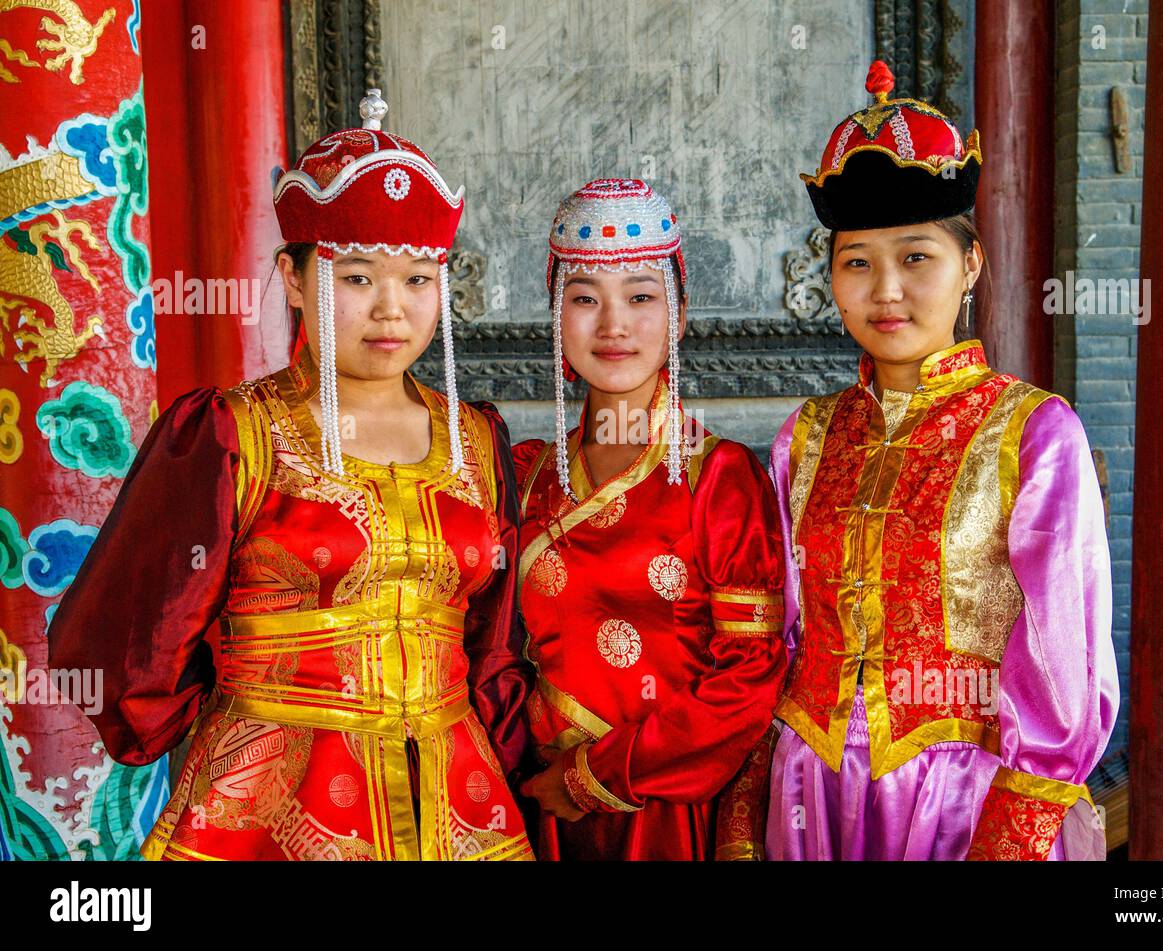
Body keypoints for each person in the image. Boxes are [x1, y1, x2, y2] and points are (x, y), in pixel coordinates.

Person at [46, 90, 534, 861]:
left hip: (457, 798)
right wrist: (219, 712)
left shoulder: (478, 437)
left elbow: (495, 642)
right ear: (295, 277)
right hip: (271, 807)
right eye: (358, 277)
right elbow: (122, 629)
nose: (391, 310)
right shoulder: (229, 435)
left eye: (417, 279)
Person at [760, 61, 1119, 860]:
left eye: (916, 256)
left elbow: (1065, 659)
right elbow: (779, 635)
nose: (887, 289)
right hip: (811, 789)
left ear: (971, 266)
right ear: (831, 279)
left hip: (966, 797)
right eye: (857, 262)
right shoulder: (807, 436)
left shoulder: (1030, 432)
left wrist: (1013, 830)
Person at [513, 179, 787, 860]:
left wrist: (592, 775)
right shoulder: (523, 476)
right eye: (584, 299)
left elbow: (750, 677)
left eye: (641, 297)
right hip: (536, 805)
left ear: (680, 315)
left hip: (664, 811)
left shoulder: (718, 479)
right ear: (555, 316)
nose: (613, 324)